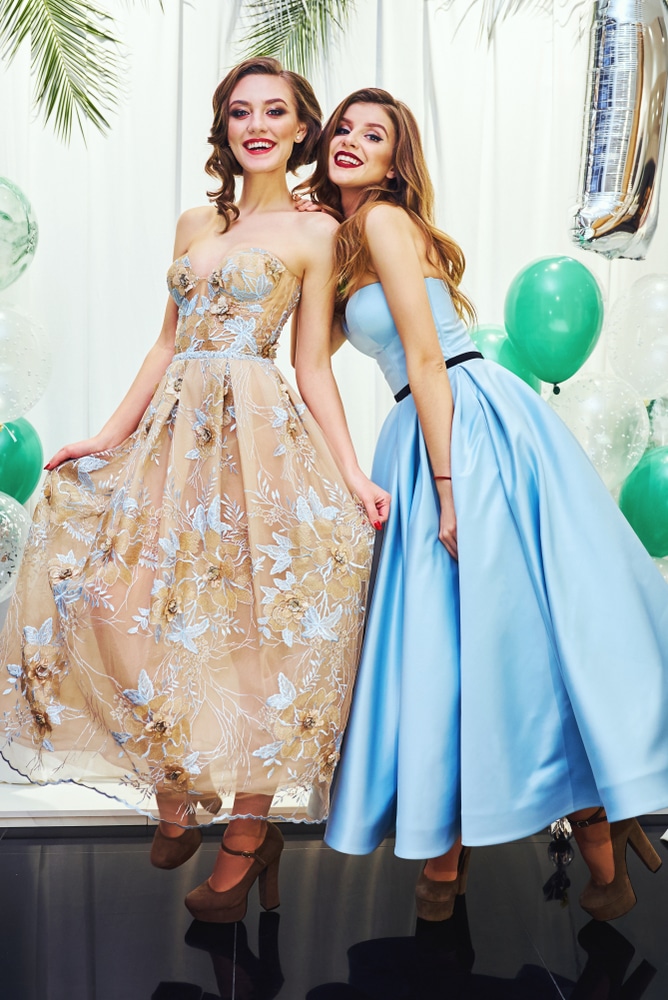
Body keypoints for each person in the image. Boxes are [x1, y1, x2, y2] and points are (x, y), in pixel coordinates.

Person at [0, 61, 389, 924]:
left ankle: (250, 835)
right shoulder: (194, 221)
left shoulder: (316, 231)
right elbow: (164, 345)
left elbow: (312, 364)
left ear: (301, 131)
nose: (257, 124)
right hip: (174, 439)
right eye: (240, 110)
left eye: (275, 112)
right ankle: (179, 783)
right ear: (225, 126)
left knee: (258, 629)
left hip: (258, 439)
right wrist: (106, 435)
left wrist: (353, 473)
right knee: (106, 591)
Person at [301, 87, 668, 922]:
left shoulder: (388, 224)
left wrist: (447, 487)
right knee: (471, 638)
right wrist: (301, 233)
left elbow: (426, 361)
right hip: (431, 429)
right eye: (343, 129)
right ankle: (574, 837)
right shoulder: (350, 242)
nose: (352, 140)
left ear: (397, 163)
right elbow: (309, 352)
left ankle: (489, 849)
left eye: (374, 134)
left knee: (502, 632)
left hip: (461, 430)